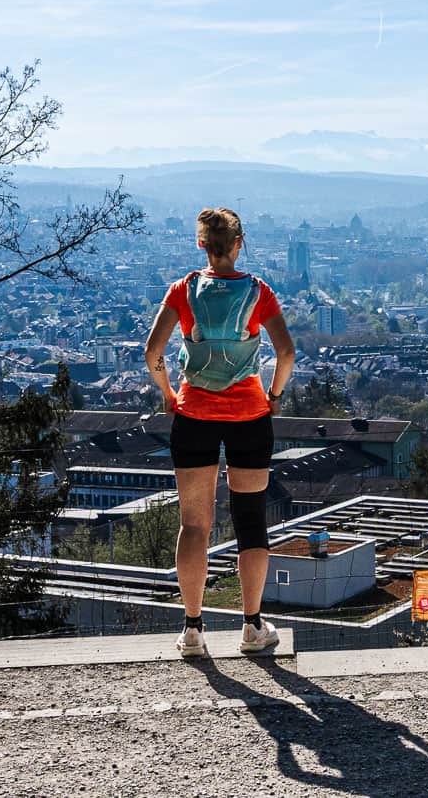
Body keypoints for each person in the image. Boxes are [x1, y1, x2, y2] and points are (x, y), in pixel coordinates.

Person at [143, 207, 296, 656]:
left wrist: (169, 393)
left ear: (201, 245)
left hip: (194, 415)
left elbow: (153, 352)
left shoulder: (183, 290)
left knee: (194, 525)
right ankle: (252, 626)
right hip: (250, 415)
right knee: (251, 523)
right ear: (238, 244)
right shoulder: (258, 292)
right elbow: (286, 353)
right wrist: (275, 394)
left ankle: (192, 629)